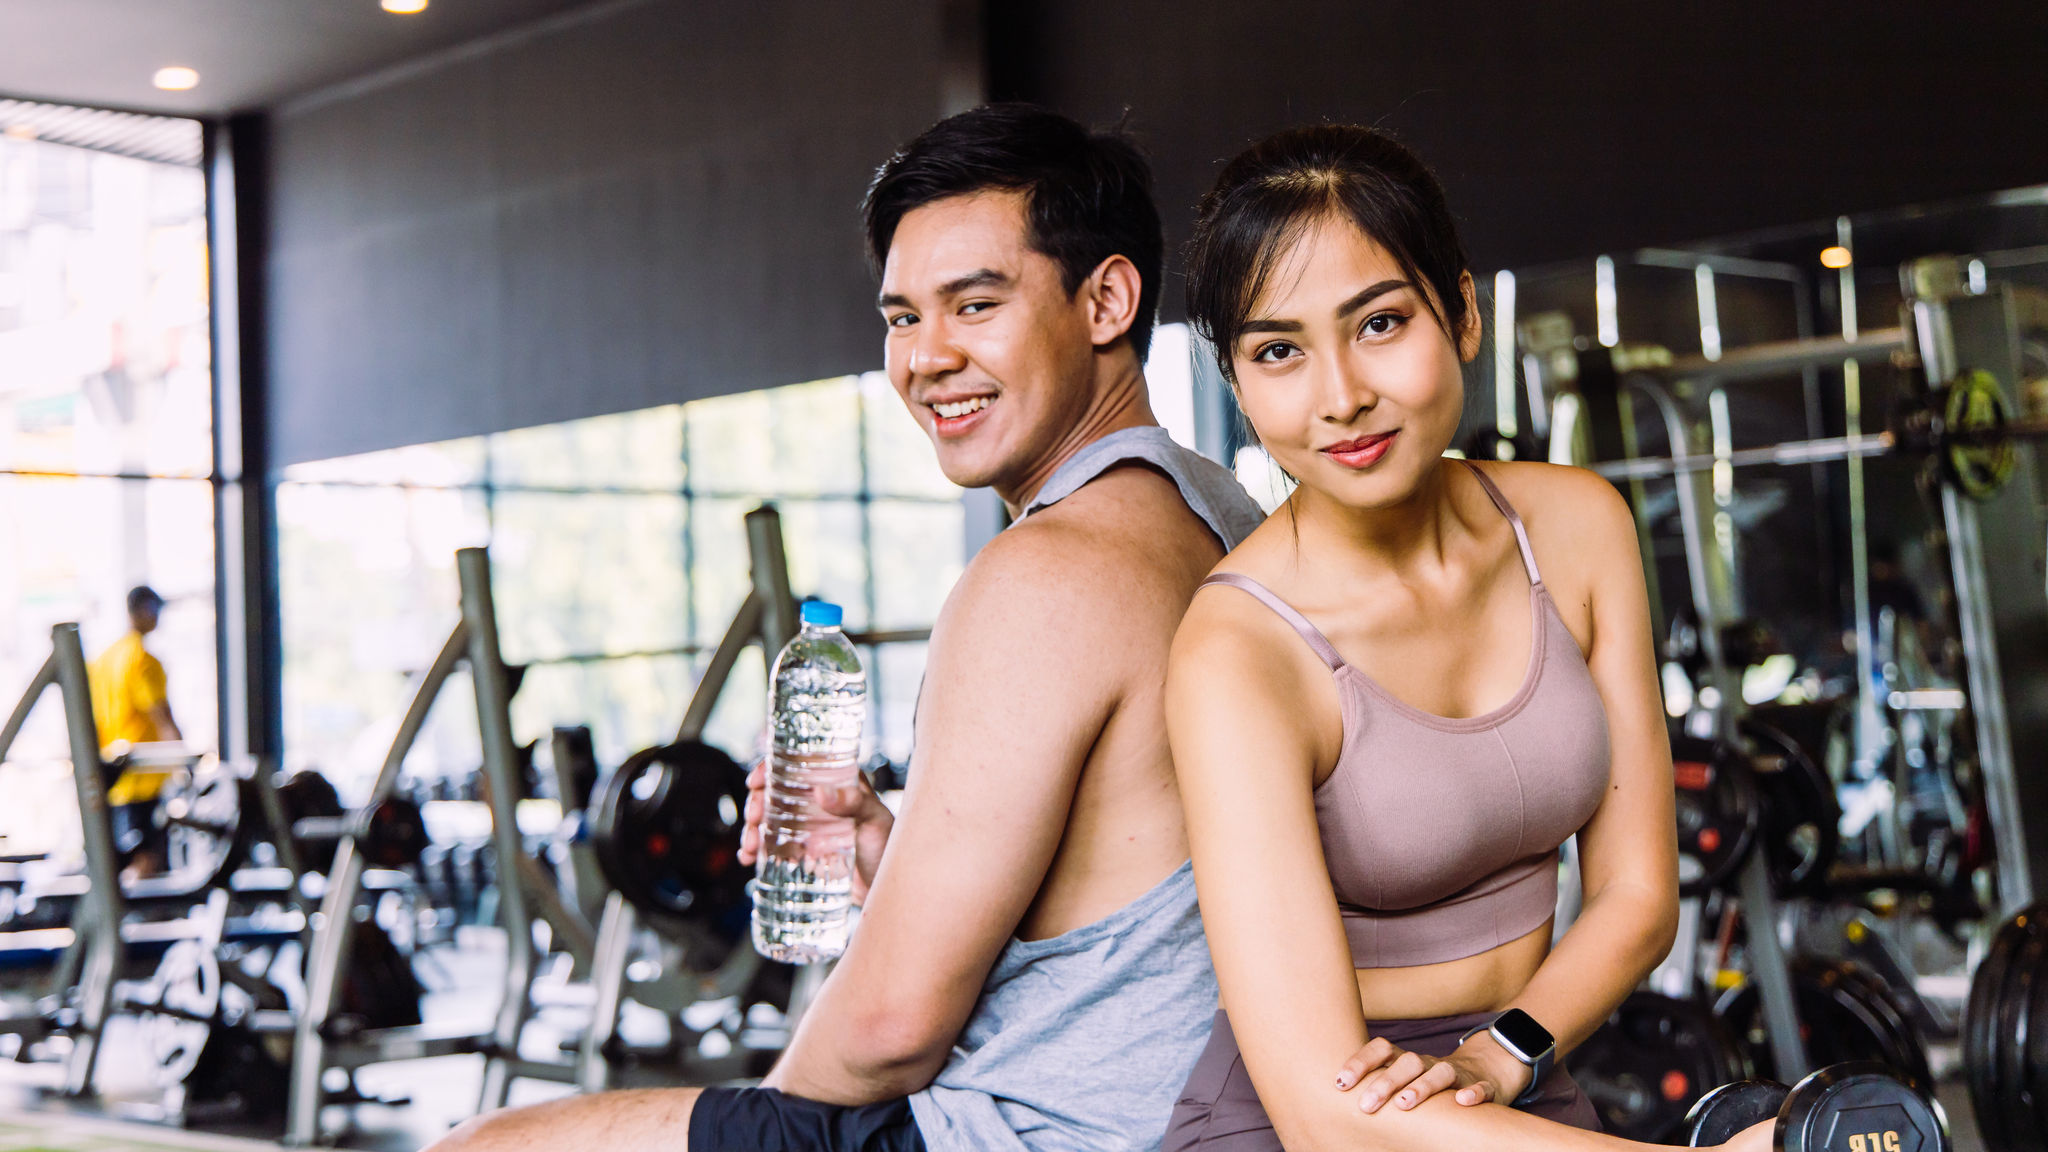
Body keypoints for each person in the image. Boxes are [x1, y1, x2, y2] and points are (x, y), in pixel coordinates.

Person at [432, 103, 1265, 1152]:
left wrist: (771, 1120)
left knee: (478, 1147)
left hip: (1035, 1134)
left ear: (1104, 299)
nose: (925, 358)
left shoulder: (1046, 572)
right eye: (903, 317)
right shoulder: (1215, 511)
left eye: (974, 304)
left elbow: (887, 1030)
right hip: (1174, 1116)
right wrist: (901, 855)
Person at [1159, 125, 1767, 1152]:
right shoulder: (1237, 651)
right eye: (1277, 351)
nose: (1340, 393)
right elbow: (1321, 1114)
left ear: (1463, 312)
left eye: (1380, 323)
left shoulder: (1574, 529)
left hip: (1515, 1084)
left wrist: (1500, 1053)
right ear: (1236, 382)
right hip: (1317, 1121)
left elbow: (1635, 896)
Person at [89, 585, 184, 880]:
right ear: (145, 610)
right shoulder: (142, 660)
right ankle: (143, 918)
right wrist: (184, 760)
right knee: (147, 858)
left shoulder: (105, 658)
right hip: (144, 778)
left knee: (122, 858)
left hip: (113, 777)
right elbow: (161, 714)